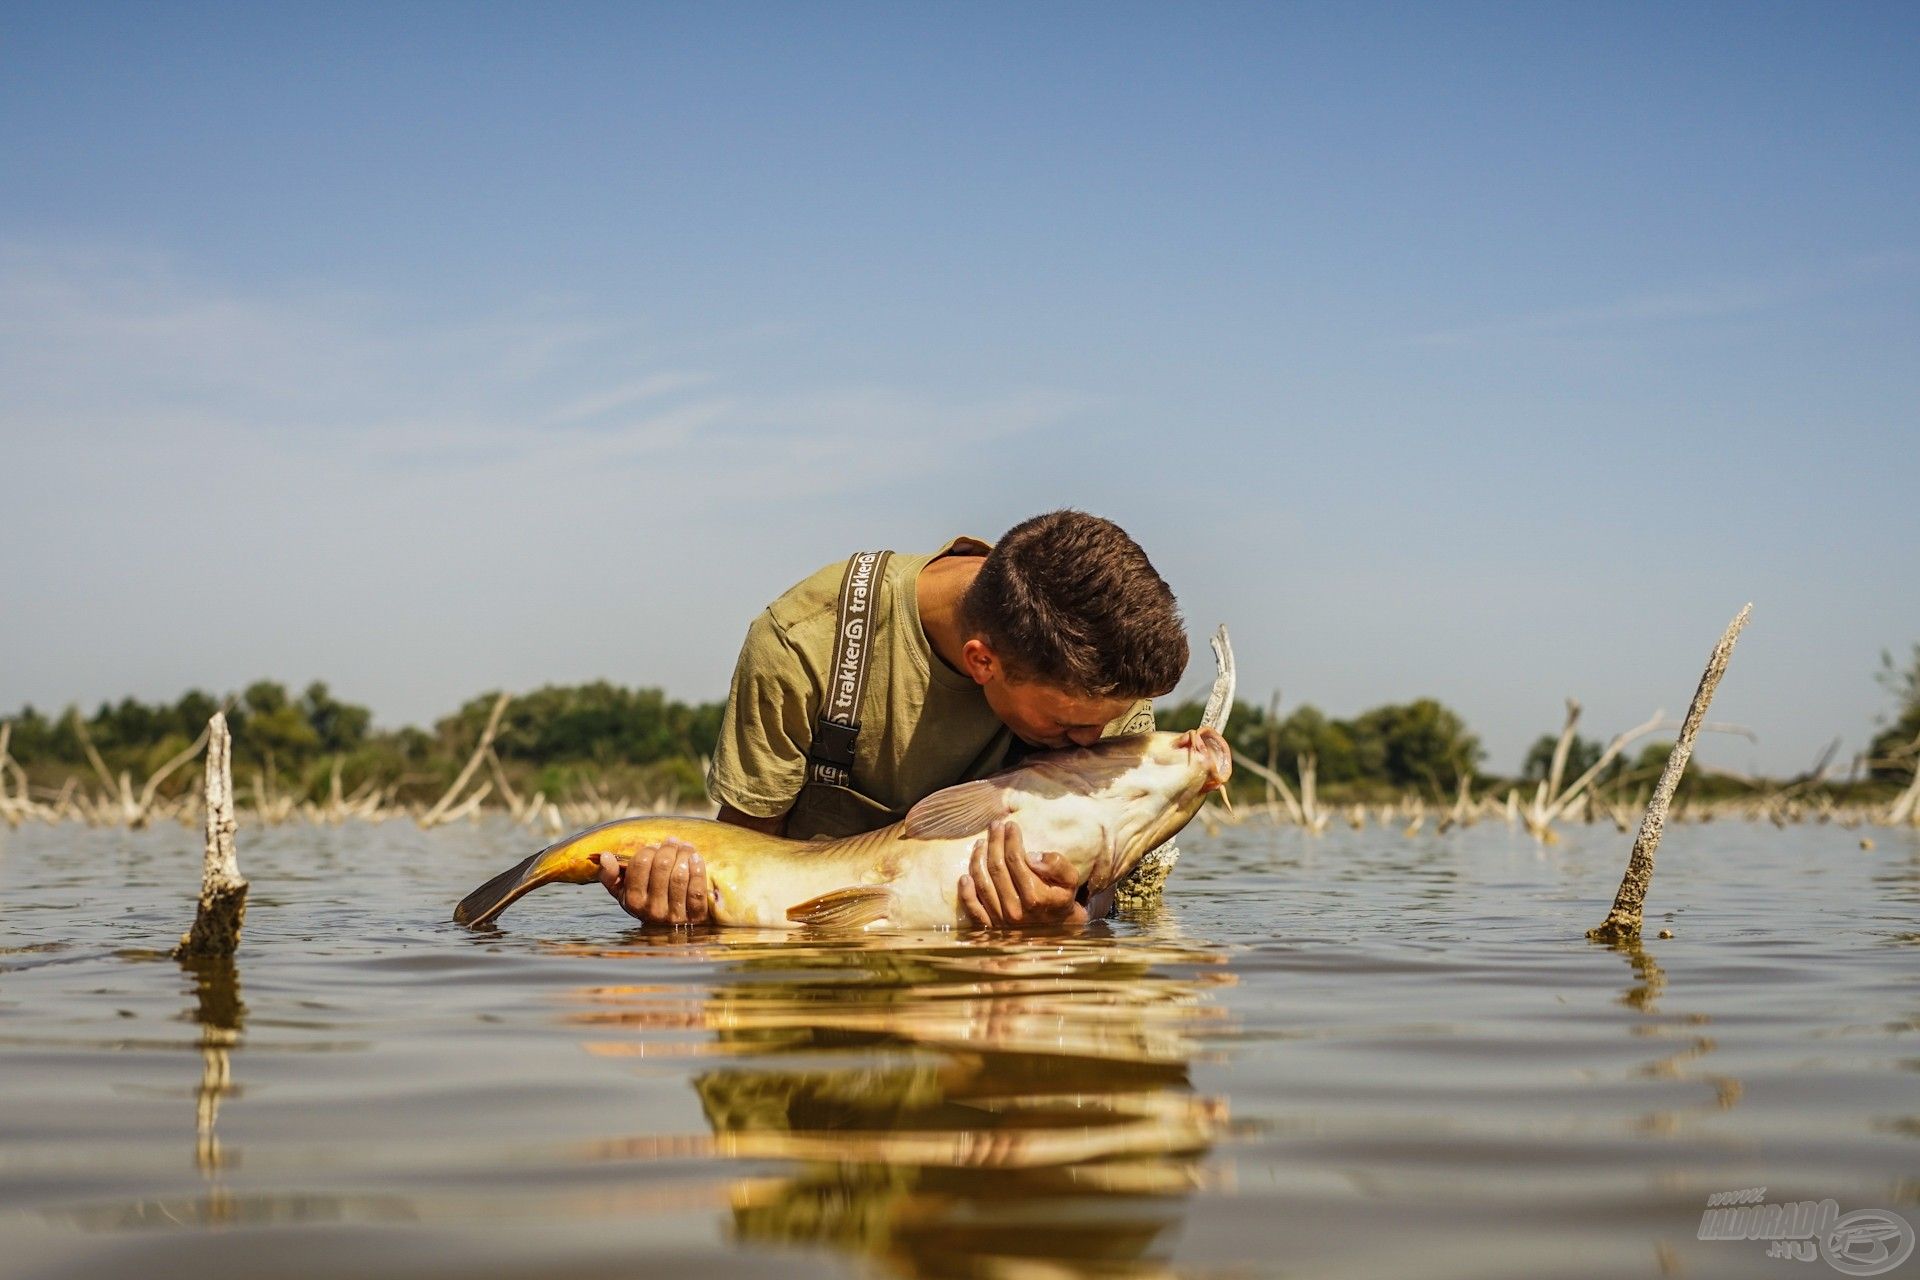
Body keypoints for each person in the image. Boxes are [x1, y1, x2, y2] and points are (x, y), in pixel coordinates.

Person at [599, 509, 1188, 928]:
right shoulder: (803, 643)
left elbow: (1100, 904)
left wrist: (1068, 919)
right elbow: (749, 864)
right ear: (983, 661)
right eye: (1068, 727)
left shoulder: (1100, 677)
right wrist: (679, 901)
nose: (1092, 741)